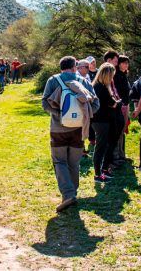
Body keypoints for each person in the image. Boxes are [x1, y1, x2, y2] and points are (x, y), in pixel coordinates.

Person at [41, 56, 100, 212]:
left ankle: (68, 195)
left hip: (58, 129)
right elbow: (96, 104)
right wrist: (84, 116)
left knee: (59, 161)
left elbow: (44, 103)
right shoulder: (84, 82)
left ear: (61, 67)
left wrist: (59, 115)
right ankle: (72, 193)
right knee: (74, 162)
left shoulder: (53, 80)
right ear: (75, 67)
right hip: (79, 130)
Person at [91, 62, 120, 183]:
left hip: (106, 119)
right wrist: (116, 103)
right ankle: (98, 174)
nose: (113, 78)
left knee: (109, 144)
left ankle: (104, 169)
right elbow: (112, 103)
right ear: (107, 75)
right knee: (100, 146)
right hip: (100, 120)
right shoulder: (99, 87)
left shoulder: (104, 86)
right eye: (112, 75)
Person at [113, 55, 131, 166]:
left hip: (125, 105)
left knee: (122, 130)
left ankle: (121, 153)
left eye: (127, 63)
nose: (126, 65)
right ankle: (117, 156)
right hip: (120, 106)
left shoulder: (124, 75)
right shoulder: (116, 76)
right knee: (118, 130)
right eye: (124, 63)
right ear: (119, 64)